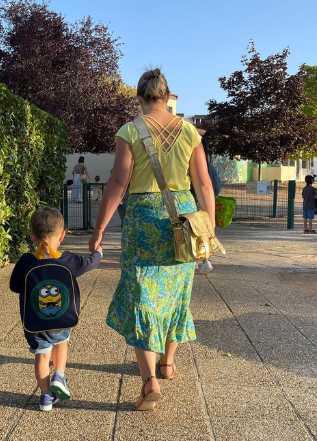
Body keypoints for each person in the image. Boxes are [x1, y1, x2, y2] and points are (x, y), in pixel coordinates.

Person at [88, 68, 215, 411]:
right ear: (167, 96)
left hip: (144, 218)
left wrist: (99, 229)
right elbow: (203, 184)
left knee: (141, 292)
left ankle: (149, 383)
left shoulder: (131, 131)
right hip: (185, 218)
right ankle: (168, 364)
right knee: (176, 291)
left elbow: (118, 182)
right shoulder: (190, 132)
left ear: (140, 98)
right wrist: (209, 229)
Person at [9, 207, 102, 411]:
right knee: (61, 343)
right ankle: (59, 376)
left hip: (34, 320)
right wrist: (98, 252)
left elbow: (14, 286)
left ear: (33, 236)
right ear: (62, 235)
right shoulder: (68, 259)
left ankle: (45, 398)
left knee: (42, 356)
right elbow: (90, 263)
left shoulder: (27, 261)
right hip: (61, 317)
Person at [191, 149, 222, 274]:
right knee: (205, 232)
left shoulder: (190, 165)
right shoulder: (209, 167)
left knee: (192, 232)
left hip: (192, 202)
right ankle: (205, 260)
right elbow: (216, 186)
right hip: (207, 202)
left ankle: (194, 261)